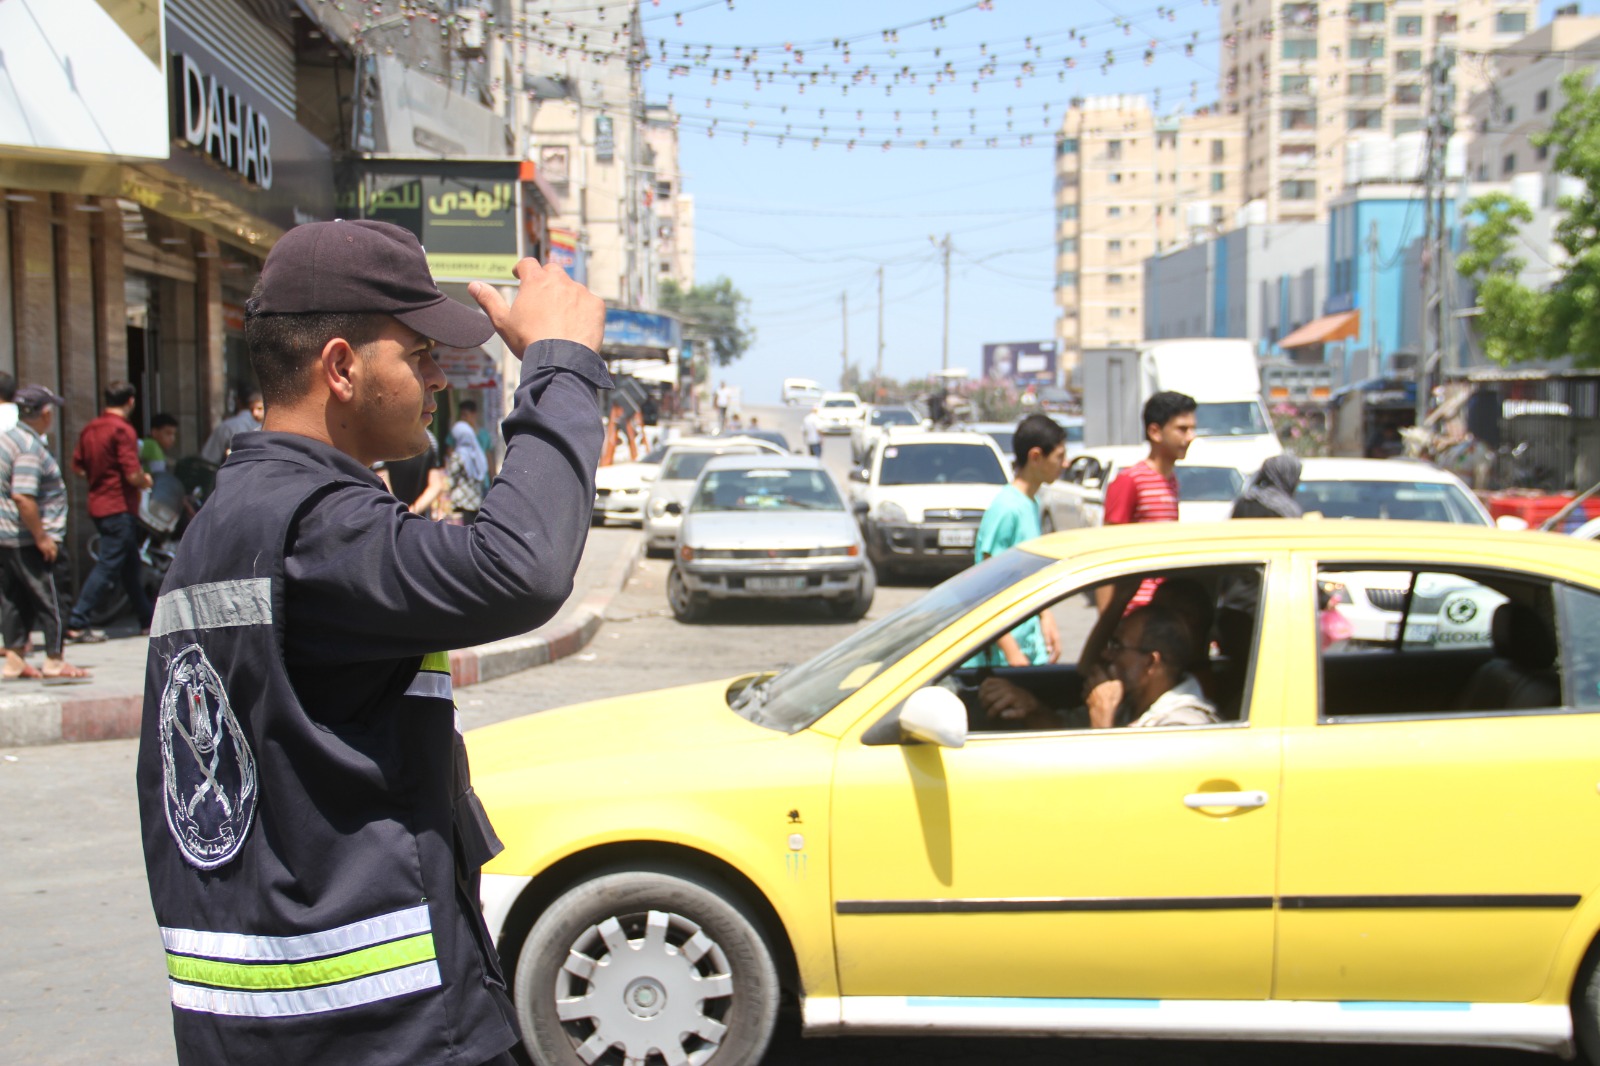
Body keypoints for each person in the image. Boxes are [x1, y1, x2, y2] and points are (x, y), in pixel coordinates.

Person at [134, 218, 608, 1066]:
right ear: (343, 368)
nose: (436, 378)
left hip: (266, 1034)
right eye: (419, 354)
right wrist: (561, 366)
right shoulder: (317, 526)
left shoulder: (229, 523)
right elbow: (522, 569)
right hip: (380, 1034)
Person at [979, 604, 1217, 731]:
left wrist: (1102, 719)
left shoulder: (1184, 725)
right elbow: (1067, 729)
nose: (1106, 654)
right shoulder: (1131, 703)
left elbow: (1124, 796)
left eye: (1118, 646)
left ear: (1150, 663)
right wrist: (1031, 708)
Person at [0, 386, 90, 680]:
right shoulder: (28, 447)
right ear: (45, 413)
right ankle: (54, 659)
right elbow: (23, 496)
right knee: (52, 598)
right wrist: (42, 537)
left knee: (14, 599)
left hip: (8, 536)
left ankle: (14, 658)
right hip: (30, 538)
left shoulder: (7, 440)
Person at [970, 414, 1067, 667]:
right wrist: (1012, 653)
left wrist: (1046, 618)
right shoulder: (1007, 509)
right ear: (1036, 456)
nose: (1065, 464)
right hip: (1005, 656)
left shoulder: (1029, 503)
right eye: (1059, 456)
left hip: (1028, 643)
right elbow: (987, 588)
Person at [67, 380, 154, 639]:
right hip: (119, 505)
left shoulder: (90, 429)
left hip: (98, 503)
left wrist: (99, 477)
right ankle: (78, 620)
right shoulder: (122, 430)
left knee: (129, 567)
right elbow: (132, 474)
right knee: (108, 565)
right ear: (130, 401)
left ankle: (146, 619)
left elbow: (77, 466)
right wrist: (146, 480)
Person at [1100, 390, 1196, 612]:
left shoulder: (1171, 482)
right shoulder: (1129, 481)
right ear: (1155, 432)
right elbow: (1106, 552)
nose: (1190, 437)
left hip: (1162, 607)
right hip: (1135, 610)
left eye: (1192, 428)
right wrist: (1107, 626)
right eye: (1182, 429)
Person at [1219, 453, 1304, 658]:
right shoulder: (1283, 512)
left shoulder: (1245, 502)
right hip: (1266, 602)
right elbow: (1290, 558)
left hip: (1234, 601)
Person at [378, 433, 447, 516]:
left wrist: (399, 512)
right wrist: (412, 511)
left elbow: (382, 483)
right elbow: (436, 485)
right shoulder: (430, 440)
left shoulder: (382, 437)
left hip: (389, 514)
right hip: (418, 517)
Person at [447, 399, 490, 523]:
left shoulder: (482, 435)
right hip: (476, 492)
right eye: (461, 415)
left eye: (465, 415)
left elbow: (489, 458)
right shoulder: (460, 434)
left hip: (466, 496)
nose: (463, 418)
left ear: (474, 414)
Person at [200, 387, 263, 464]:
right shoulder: (265, 427)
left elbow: (208, 459)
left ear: (238, 402)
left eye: (260, 408)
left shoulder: (228, 426)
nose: (256, 413)